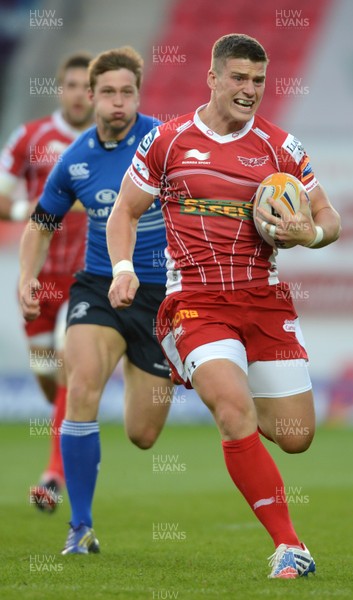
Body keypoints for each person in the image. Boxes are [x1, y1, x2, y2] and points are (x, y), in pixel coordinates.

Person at [107, 33, 341, 578]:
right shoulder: (167, 142)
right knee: (234, 412)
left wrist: (310, 233)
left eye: (258, 80)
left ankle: (228, 398)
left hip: (263, 301)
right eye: (238, 78)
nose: (249, 89)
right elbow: (124, 212)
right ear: (212, 78)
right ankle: (290, 546)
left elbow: (331, 219)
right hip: (196, 301)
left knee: (294, 438)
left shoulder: (282, 147)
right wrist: (123, 270)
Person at [18, 46, 172, 554]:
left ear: (138, 95)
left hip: (158, 297)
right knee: (80, 385)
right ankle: (79, 529)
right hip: (99, 289)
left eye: (128, 92)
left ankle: (137, 363)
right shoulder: (77, 158)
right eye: (108, 92)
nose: (118, 102)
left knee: (143, 434)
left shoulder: (165, 144)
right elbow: (40, 226)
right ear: (91, 96)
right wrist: (26, 278)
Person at [0, 52, 94, 512]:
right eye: (73, 84)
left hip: (87, 281)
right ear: (62, 89)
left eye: (88, 86)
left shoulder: (111, 143)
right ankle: (74, 436)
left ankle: (54, 473)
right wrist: (37, 212)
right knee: (47, 374)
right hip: (39, 280)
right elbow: (2, 199)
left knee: (70, 370)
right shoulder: (32, 136)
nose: (81, 93)